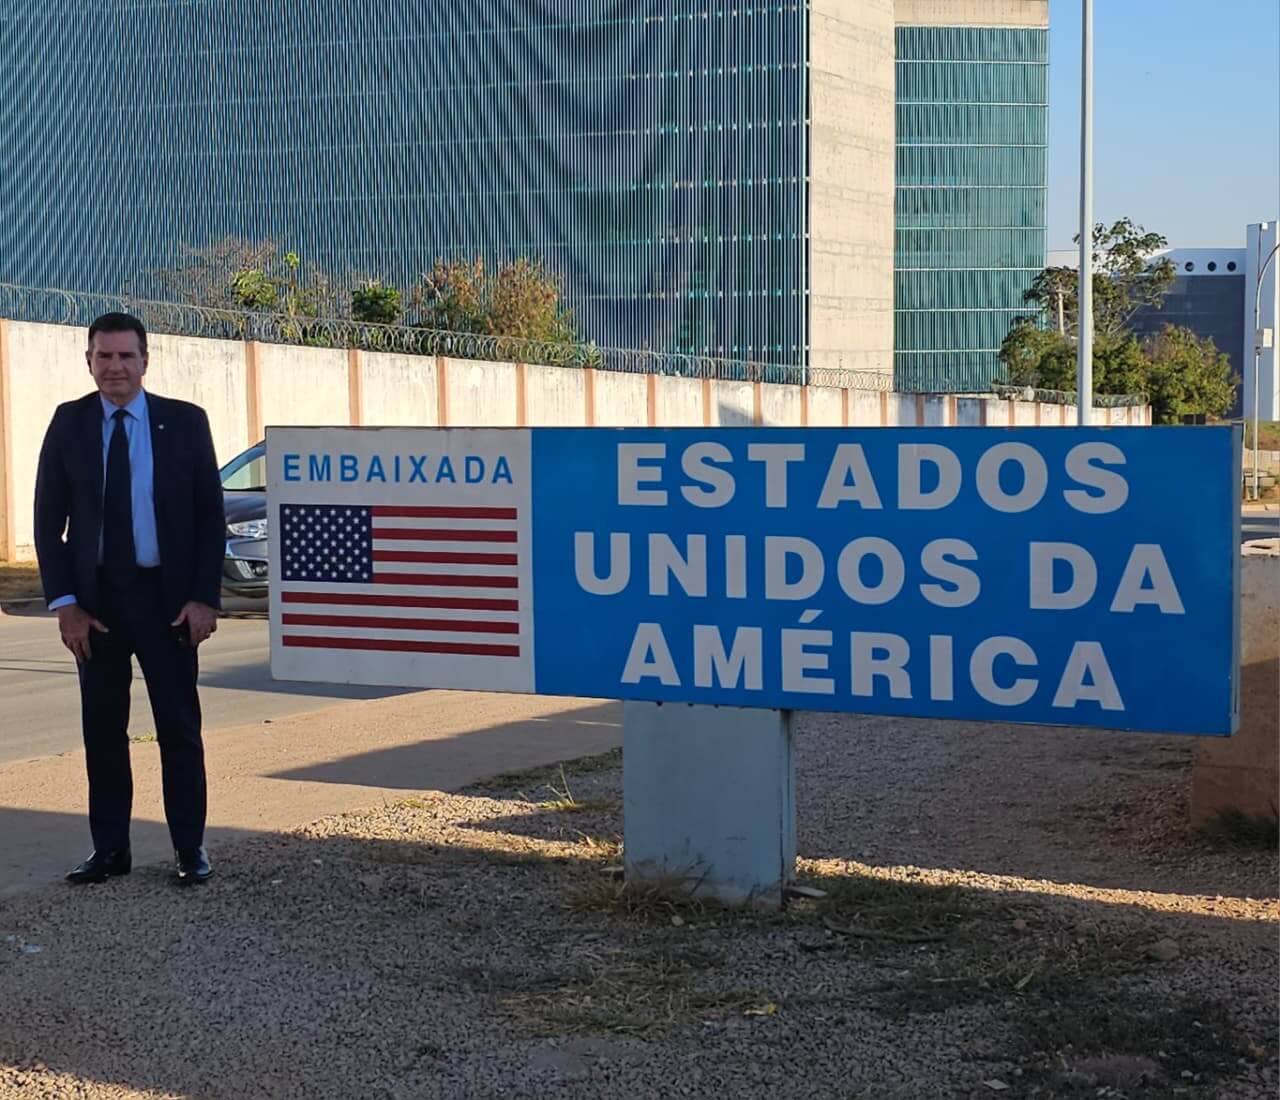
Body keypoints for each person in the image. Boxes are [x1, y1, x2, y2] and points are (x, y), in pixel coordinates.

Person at [33, 312, 225, 885]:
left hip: (167, 602)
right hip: (96, 607)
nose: (114, 367)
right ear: (88, 362)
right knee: (102, 732)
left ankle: (189, 849)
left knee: (179, 730)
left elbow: (210, 519)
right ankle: (110, 850)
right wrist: (66, 604)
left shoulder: (185, 422)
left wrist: (203, 598)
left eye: (125, 356)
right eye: (104, 356)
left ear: (145, 360)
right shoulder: (69, 424)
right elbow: (48, 522)